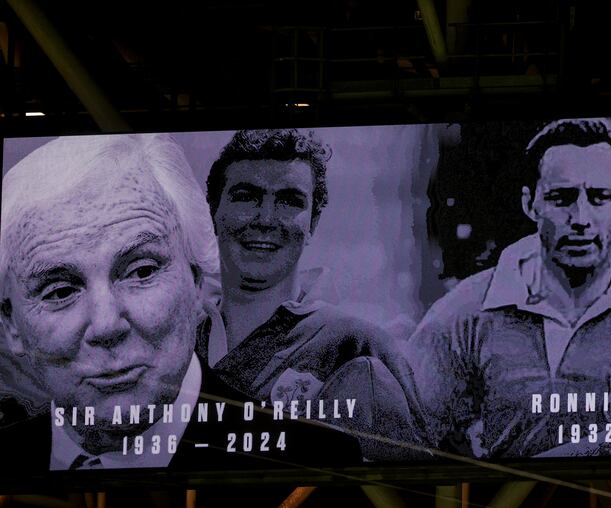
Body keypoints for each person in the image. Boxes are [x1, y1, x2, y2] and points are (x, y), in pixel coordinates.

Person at [0, 134, 360, 472]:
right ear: (10, 324)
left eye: (141, 271)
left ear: (197, 279)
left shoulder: (315, 466)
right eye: (61, 291)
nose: (107, 325)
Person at [406, 118, 611, 458]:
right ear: (531, 203)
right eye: (561, 198)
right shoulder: (464, 314)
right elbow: (403, 435)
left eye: (599, 197)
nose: (581, 219)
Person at [202, 129, 426, 460]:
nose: (265, 219)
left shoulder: (358, 346)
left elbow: (415, 488)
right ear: (214, 212)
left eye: (289, 201)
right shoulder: (169, 335)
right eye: (246, 196)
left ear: (313, 223)